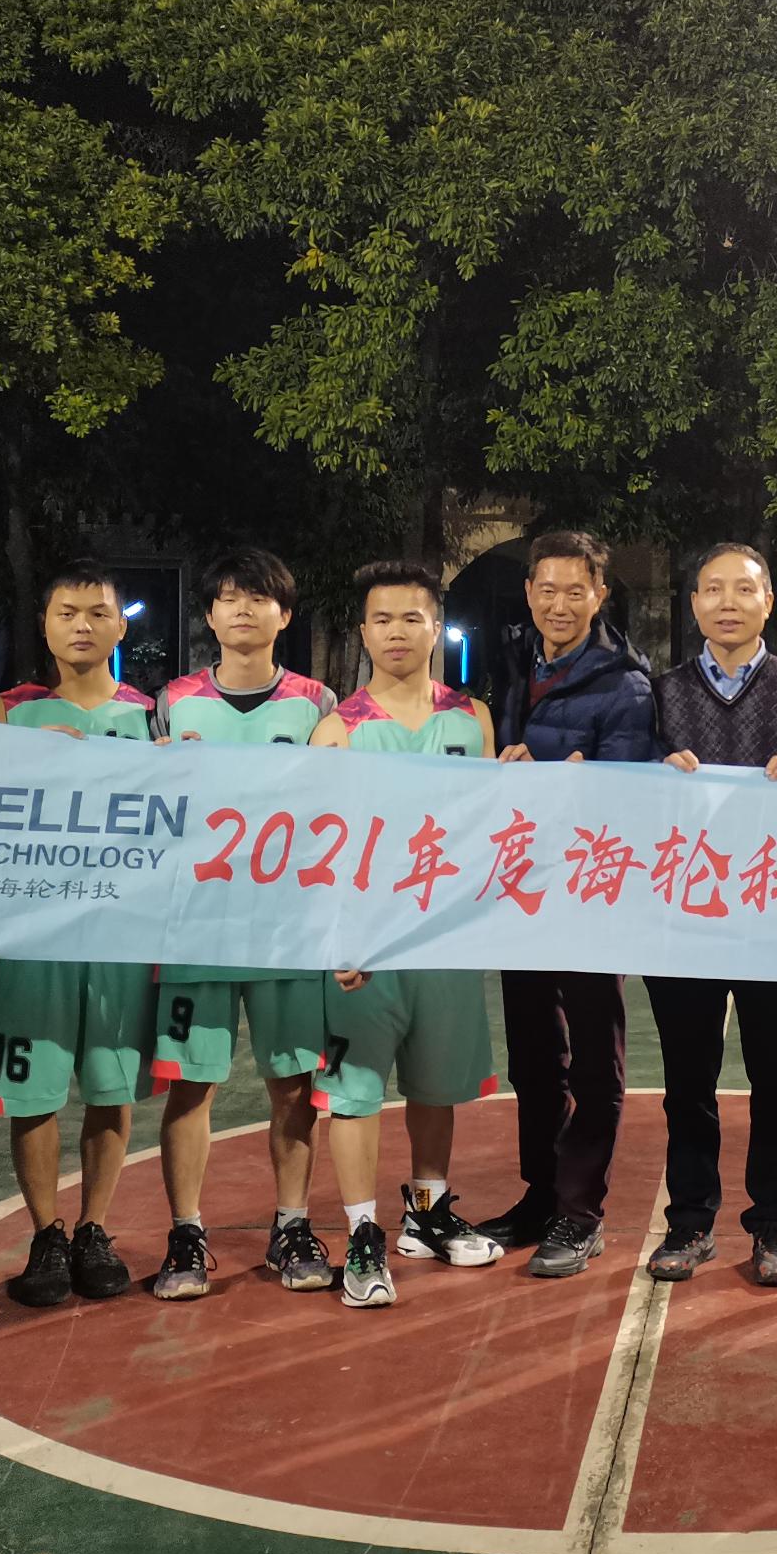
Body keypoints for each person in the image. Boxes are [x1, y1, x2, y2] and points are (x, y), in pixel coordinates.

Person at [307, 560, 504, 1307]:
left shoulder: (473, 718)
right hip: (366, 948)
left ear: (436, 628)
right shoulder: (339, 731)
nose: (397, 632)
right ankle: (363, 1234)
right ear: (363, 632)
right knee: (354, 1092)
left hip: (445, 942)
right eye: (382, 619)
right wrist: (336, 938)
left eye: (412, 618)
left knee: (434, 1086)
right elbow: (318, 852)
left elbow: (491, 825)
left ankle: (426, 1212)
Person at [146, 549, 339, 1301]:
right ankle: (186, 1233)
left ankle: (291, 1224)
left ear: (284, 614)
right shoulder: (173, 701)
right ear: (210, 614)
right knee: (189, 1085)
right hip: (196, 924)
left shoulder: (318, 704)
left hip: (288, 927)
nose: (243, 610)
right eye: (229, 598)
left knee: (292, 1084)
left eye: (259, 598)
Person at [649, 542, 777, 1286]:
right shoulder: (658, 694)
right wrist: (656, 776)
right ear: (693, 603)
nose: (728, 601)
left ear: (768, 600)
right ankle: (690, 1221)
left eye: (744, 589)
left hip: (770, 910)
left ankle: (773, 1224)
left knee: (775, 1075)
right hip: (685, 911)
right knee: (687, 1077)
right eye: (713, 588)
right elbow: (632, 803)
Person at [0, 560, 161, 1308]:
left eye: (97, 613)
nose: (82, 626)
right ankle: (45, 1233)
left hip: (121, 933)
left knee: (110, 1088)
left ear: (121, 625)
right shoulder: (8, 712)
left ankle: (94, 1228)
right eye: (67, 613)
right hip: (35, 932)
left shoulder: (153, 717)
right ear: (46, 626)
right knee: (34, 1091)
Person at [485, 529, 656, 1278]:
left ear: (600, 595)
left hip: (591, 895)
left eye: (575, 591)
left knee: (593, 1061)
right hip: (520, 892)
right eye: (546, 589)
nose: (559, 604)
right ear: (529, 592)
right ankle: (542, 1194)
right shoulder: (511, 663)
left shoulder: (628, 685)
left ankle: (581, 1212)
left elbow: (620, 798)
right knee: (533, 1056)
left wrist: (550, 770)